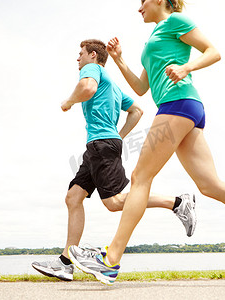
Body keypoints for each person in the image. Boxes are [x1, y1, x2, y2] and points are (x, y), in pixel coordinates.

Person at [67, 0, 225, 285]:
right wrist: (119, 60)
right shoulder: (152, 39)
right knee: (210, 185)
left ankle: (111, 259)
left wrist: (186, 67)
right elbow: (142, 88)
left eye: (142, 1)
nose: (138, 7)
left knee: (141, 176)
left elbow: (213, 52)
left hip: (177, 103)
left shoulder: (176, 21)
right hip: (183, 107)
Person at [31, 39, 197, 281]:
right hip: (98, 146)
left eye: (81, 54)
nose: (78, 59)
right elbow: (137, 111)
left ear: (93, 56)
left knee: (115, 202)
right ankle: (66, 262)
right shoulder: (113, 86)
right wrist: (118, 136)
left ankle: (178, 202)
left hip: (100, 145)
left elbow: (86, 88)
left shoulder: (94, 70)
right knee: (73, 197)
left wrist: (68, 102)